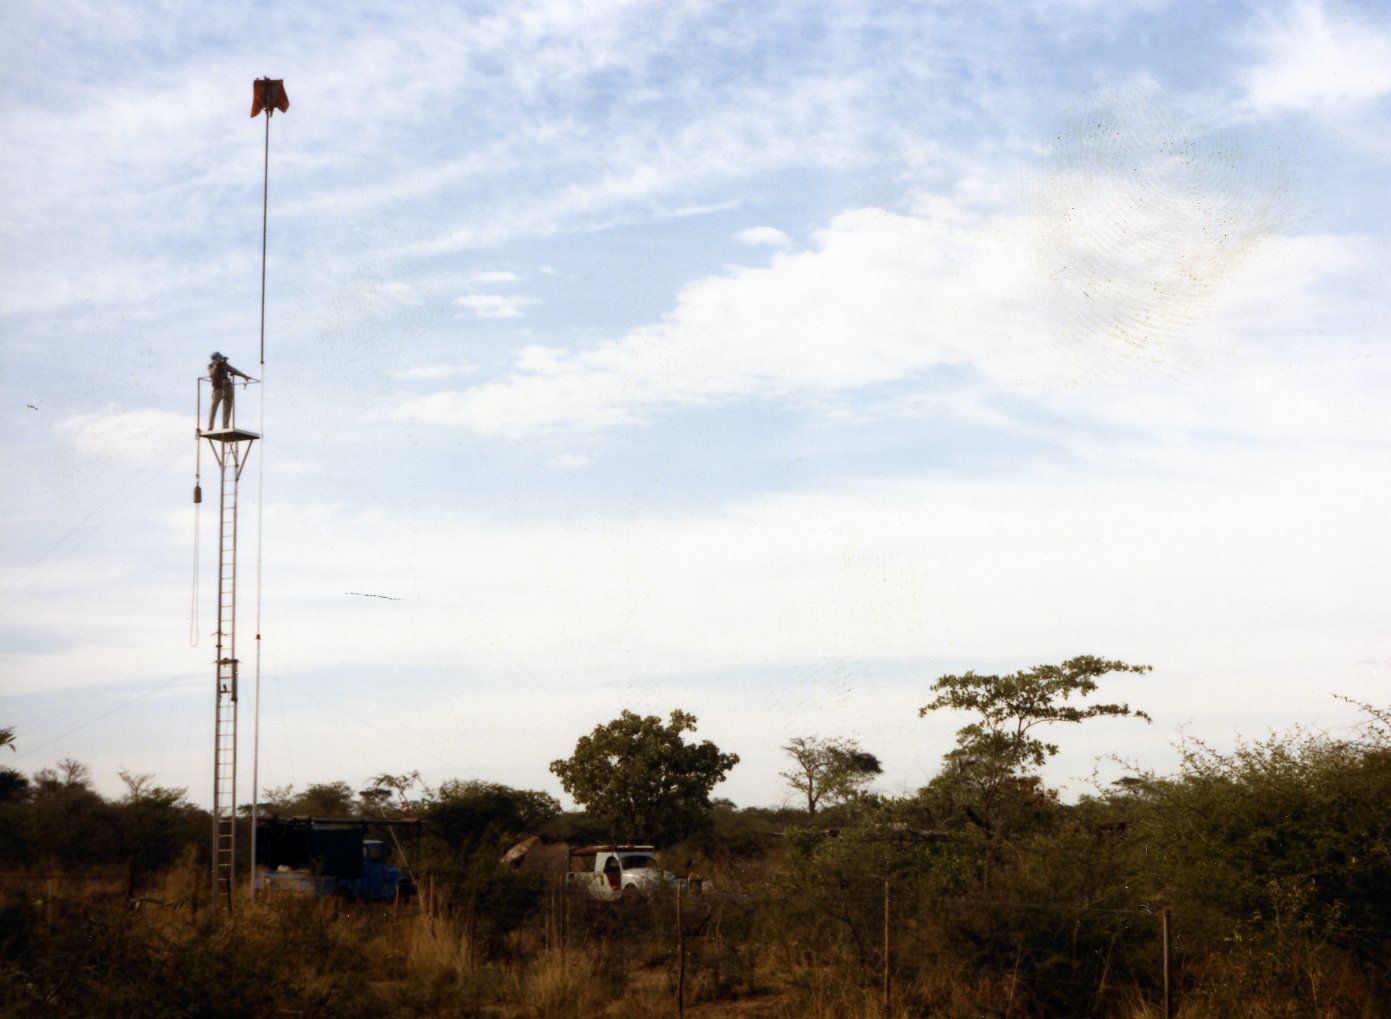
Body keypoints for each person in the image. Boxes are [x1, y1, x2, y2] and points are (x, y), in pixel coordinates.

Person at [206, 352, 255, 431]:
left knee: (227, 407)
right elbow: (212, 374)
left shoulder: (224, 365)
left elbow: (233, 370)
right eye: (219, 359)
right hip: (218, 388)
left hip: (227, 386)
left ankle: (225, 426)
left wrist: (244, 376)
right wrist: (217, 365)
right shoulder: (210, 366)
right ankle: (210, 427)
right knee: (214, 407)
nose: (221, 360)